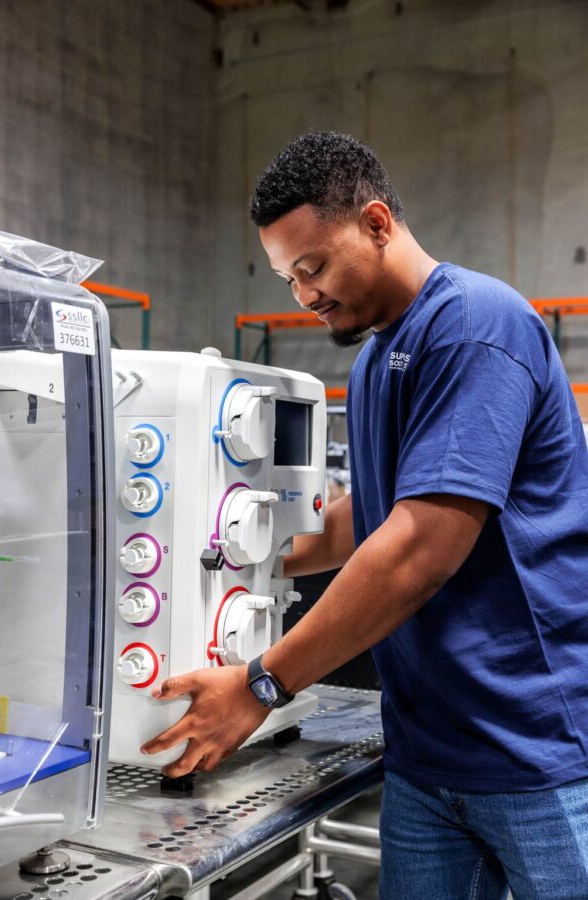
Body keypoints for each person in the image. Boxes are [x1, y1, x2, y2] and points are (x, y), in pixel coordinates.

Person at [141, 132, 588, 899]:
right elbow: (366, 518)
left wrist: (259, 686)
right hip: (425, 755)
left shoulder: (476, 325)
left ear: (377, 223)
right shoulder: (379, 357)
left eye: (313, 267)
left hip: (534, 751)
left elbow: (419, 548)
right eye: (287, 278)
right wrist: (234, 551)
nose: (303, 295)